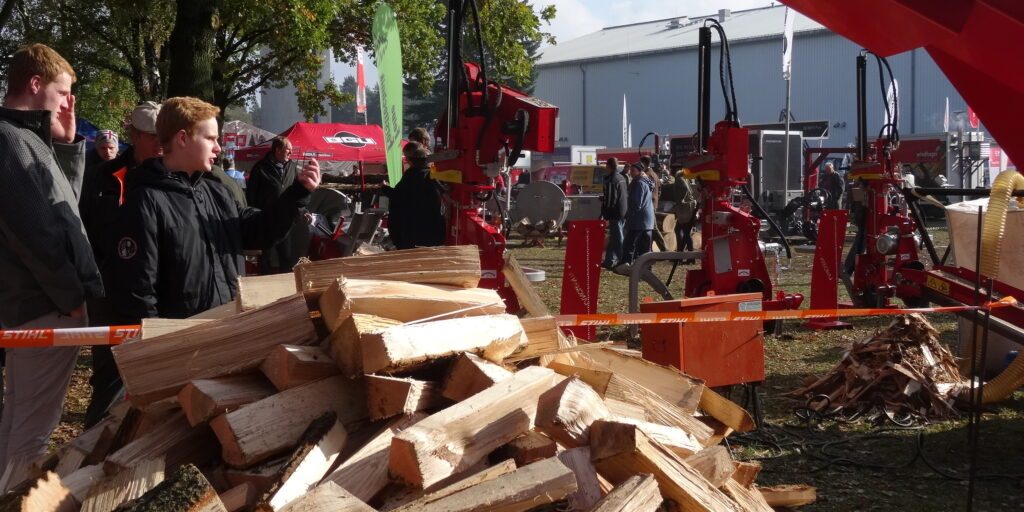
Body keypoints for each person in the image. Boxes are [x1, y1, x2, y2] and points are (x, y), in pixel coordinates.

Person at [106, 97, 319, 322]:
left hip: (225, 333)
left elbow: (258, 232)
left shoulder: (218, 193)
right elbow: (138, 289)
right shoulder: (146, 201)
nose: (218, 148)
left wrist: (297, 193)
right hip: (180, 345)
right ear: (182, 138)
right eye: (210, 139)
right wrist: (159, 343)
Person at [0, 43, 104, 472]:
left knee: (18, 421)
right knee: (32, 433)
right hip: (45, 306)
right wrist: (71, 297)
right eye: (63, 93)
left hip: (42, 304)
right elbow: (36, 233)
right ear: (36, 83)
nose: (68, 102)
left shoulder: (25, 139)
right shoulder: (10, 140)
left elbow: (65, 209)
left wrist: (64, 142)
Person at [78, 101, 165, 427]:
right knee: (109, 378)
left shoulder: (173, 174)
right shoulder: (102, 176)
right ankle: (91, 458)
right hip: (110, 294)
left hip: (159, 294)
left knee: (158, 379)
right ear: (133, 134)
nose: (159, 143)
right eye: (150, 135)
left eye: (163, 136)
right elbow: (84, 226)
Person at [246, 137, 302, 273]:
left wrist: (300, 210)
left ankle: (287, 289)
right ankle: (265, 288)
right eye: (288, 149)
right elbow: (251, 196)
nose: (291, 152)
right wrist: (254, 217)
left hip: (285, 221)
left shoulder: (292, 167)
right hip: (266, 221)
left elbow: (297, 192)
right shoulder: (260, 168)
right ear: (277, 150)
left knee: (286, 258)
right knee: (265, 259)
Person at [385, 142, 445, 249]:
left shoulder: (412, 175)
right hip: (433, 229)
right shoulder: (432, 173)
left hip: (414, 230)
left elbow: (398, 196)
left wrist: (384, 188)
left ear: (409, 159)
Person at [622, 163, 656, 265]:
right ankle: (645, 267)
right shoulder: (645, 182)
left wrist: (629, 214)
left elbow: (637, 202)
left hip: (638, 218)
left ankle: (626, 264)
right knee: (644, 246)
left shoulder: (638, 183)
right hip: (647, 219)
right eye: (630, 171)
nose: (631, 173)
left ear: (640, 171)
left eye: (633, 171)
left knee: (629, 243)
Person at [600, 157, 628, 269]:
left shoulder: (611, 180)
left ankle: (623, 261)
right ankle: (609, 260)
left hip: (615, 212)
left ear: (608, 166)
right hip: (623, 210)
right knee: (613, 236)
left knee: (617, 237)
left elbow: (611, 199)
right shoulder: (621, 177)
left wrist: (604, 212)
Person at [673, 170, 700, 259]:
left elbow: (682, 193)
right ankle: (687, 254)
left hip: (684, 210)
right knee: (685, 231)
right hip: (689, 209)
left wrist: (679, 202)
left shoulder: (679, 181)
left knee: (683, 231)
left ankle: (682, 253)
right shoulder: (686, 180)